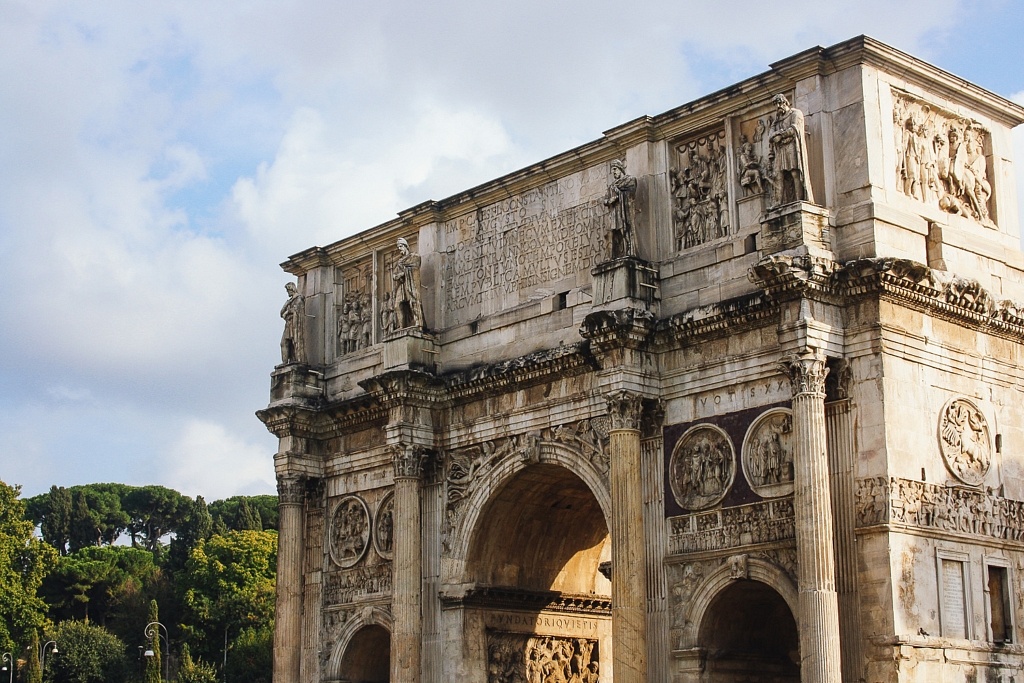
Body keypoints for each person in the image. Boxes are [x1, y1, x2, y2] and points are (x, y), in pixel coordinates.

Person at [767, 93, 814, 206]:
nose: (778, 106)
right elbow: (770, 135)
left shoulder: (795, 113)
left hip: (792, 146)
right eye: (775, 104)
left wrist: (781, 135)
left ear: (785, 102)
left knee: (794, 172)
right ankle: (777, 203)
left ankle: (799, 199)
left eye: (779, 103)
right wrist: (776, 135)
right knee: (778, 175)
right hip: (781, 150)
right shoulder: (776, 120)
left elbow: (794, 128)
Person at [602, 159, 638, 258]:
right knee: (612, 233)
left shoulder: (629, 180)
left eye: (615, 169)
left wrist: (619, 193)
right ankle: (612, 255)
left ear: (620, 169)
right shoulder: (611, 186)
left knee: (624, 231)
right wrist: (610, 201)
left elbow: (631, 194)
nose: (613, 172)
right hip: (614, 213)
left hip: (624, 211)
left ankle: (629, 251)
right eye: (612, 170)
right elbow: (605, 200)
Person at [392, 237, 423, 329]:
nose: (399, 249)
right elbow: (394, 274)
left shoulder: (414, 256)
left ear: (406, 246)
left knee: (413, 302)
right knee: (397, 305)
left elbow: (415, 266)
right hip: (402, 285)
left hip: (411, 284)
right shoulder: (400, 261)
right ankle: (402, 326)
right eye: (398, 247)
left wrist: (403, 272)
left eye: (401, 246)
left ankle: (418, 323)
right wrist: (398, 275)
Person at [280, 282, 305, 364]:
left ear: (292, 289)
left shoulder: (299, 299)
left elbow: (297, 310)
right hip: (288, 325)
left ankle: (298, 360)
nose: (288, 292)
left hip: (295, 325)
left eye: (288, 290)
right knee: (283, 343)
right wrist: (287, 304)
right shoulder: (290, 301)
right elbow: (281, 313)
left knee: (295, 342)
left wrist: (288, 312)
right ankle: (284, 362)